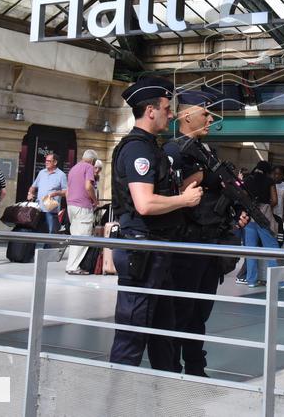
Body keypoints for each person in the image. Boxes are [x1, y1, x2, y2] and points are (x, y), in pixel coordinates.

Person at [109, 78, 203, 370]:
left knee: (164, 333)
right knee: (132, 334)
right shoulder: (138, 150)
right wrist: (185, 201)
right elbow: (145, 203)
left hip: (157, 249)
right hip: (144, 249)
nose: (171, 114)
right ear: (150, 111)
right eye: (166, 108)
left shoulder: (151, 147)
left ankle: (166, 395)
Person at [163, 89, 249, 377]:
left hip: (211, 241)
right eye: (206, 113)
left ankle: (196, 365)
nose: (211, 118)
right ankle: (173, 367)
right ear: (187, 116)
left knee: (200, 312)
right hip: (188, 243)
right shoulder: (174, 150)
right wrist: (203, 177)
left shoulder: (207, 150)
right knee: (181, 310)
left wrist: (235, 214)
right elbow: (175, 190)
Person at [241, 161, 280, 287]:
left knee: (250, 249)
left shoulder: (248, 180)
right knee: (272, 247)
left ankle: (251, 280)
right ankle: (276, 281)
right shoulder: (269, 181)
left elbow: (243, 197)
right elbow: (274, 200)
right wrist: (267, 206)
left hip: (249, 217)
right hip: (263, 217)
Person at [65, 149, 100, 275]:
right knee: (83, 237)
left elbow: (67, 190)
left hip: (71, 205)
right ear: (92, 160)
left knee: (74, 237)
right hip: (83, 207)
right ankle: (73, 267)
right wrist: (95, 200)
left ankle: (71, 265)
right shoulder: (88, 167)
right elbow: (88, 186)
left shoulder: (73, 168)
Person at [28, 153, 68, 235]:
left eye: (49, 161)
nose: (46, 162)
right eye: (46, 161)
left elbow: (66, 192)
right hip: (38, 208)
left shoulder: (61, 175)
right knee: (35, 232)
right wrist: (30, 193)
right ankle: (33, 248)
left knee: (51, 233)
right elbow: (33, 187)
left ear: (55, 162)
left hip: (51, 209)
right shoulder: (41, 173)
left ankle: (47, 248)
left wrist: (56, 193)